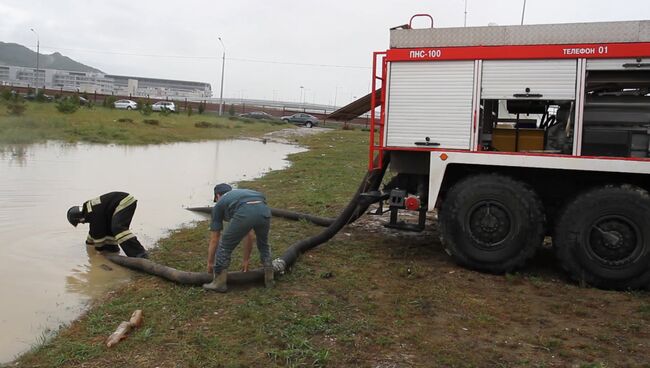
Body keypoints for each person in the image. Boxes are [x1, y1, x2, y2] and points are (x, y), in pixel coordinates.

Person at [203, 183, 274, 292]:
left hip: (245, 211)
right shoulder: (238, 195)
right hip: (263, 209)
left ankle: (219, 283)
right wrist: (246, 260)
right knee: (263, 244)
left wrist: (210, 263)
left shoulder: (219, 204)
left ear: (217, 196)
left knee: (224, 246)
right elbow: (249, 234)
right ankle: (269, 279)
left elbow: (215, 238)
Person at [66, 192, 148, 258]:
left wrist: (99, 251)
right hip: (120, 202)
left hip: (124, 202)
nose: (83, 223)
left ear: (79, 217)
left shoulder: (93, 214)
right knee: (110, 229)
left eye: (80, 222)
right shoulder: (90, 209)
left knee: (118, 229)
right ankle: (113, 251)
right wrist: (89, 244)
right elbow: (93, 231)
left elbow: (97, 233)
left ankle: (139, 254)